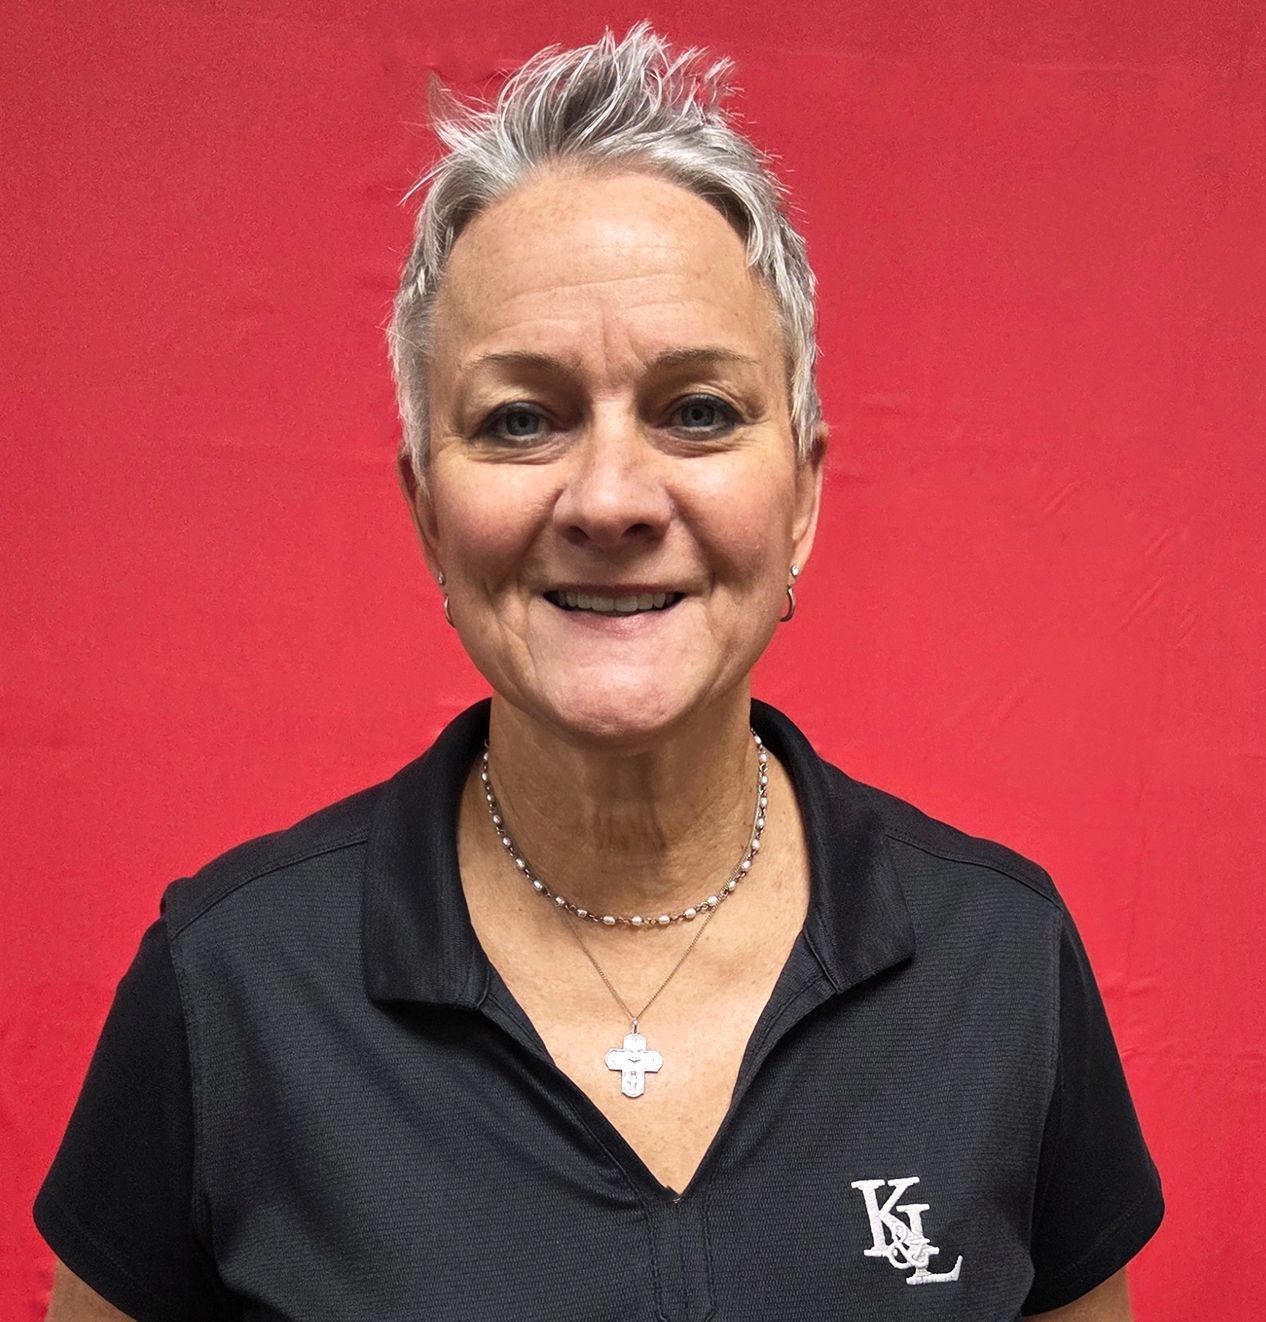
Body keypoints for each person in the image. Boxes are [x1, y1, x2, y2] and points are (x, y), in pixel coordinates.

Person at [33, 21, 1163, 1322]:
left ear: (798, 495)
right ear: (426, 514)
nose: (612, 497)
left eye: (698, 410)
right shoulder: (227, 984)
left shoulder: (999, 963)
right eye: (520, 417)